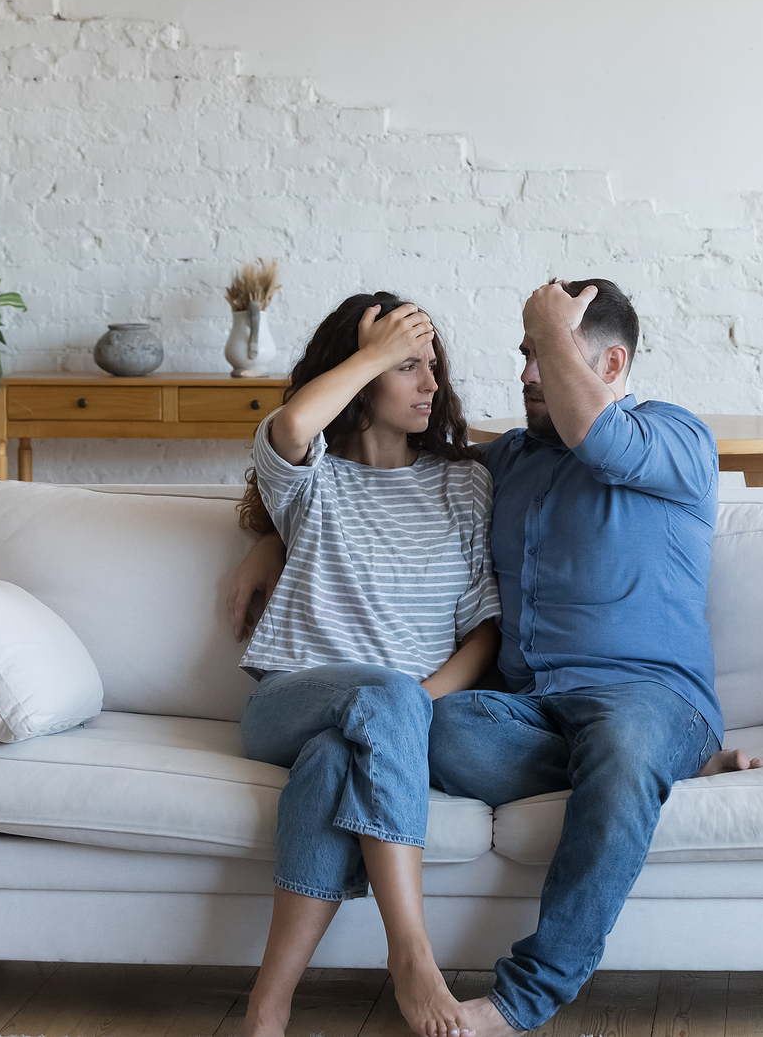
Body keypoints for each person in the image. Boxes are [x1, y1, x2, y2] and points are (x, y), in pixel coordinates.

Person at [230, 279, 760, 1037]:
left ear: (611, 365)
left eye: (546, 354)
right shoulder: (503, 463)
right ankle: (646, 775)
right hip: (526, 712)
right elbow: (366, 475)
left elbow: (597, 437)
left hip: (641, 695)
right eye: (524, 353)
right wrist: (273, 536)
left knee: (621, 740)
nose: (526, 375)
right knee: (422, 730)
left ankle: (523, 997)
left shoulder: (676, 439)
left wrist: (548, 320)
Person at [235, 292, 501, 1037]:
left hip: (394, 713)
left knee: (329, 764)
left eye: (432, 367)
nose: (428, 384)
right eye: (405, 366)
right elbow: (289, 425)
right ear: (360, 375)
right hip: (287, 700)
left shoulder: (462, 482)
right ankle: (411, 956)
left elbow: (484, 629)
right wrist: (375, 349)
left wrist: (411, 704)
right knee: (366, 708)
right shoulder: (312, 478)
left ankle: (268, 1006)